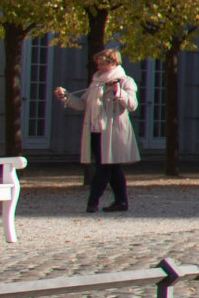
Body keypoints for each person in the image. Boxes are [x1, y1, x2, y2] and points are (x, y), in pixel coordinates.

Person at [58, 47, 140, 214]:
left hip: (114, 132)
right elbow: (83, 104)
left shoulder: (126, 81)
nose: (99, 67)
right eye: (98, 64)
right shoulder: (96, 82)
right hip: (96, 130)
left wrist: (119, 92)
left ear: (113, 63)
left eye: (103, 64)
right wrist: (66, 97)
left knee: (104, 167)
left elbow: (132, 105)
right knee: (112, 168)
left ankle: (92, 201)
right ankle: (121, 201)